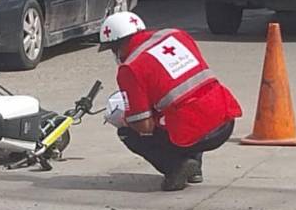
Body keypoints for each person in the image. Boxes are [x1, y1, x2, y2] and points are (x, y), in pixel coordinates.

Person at [100, 11, 242, 191]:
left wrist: (125, 118)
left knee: (128, 133)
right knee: (187, 106)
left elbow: (143, 126)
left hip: (194, 132)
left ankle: (176, 167)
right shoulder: (176, 35)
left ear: (117, 45)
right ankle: (194, 168)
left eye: (113, 49)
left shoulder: (130, 68)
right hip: (225, 119)